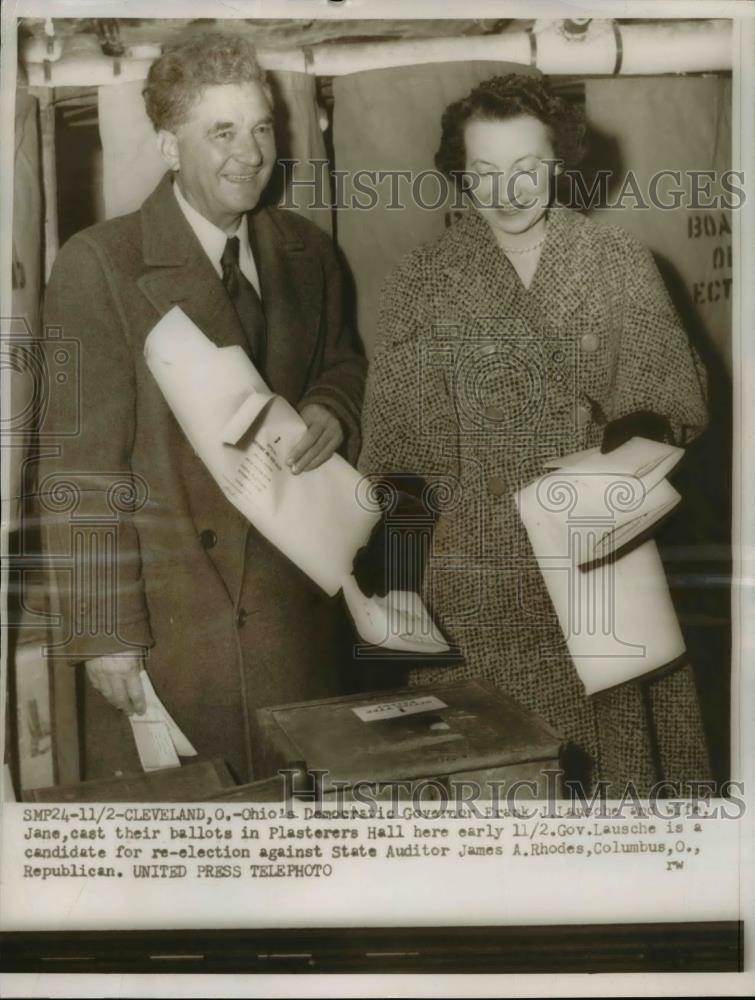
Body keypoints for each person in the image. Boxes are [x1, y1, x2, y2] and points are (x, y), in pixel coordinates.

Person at [357, 74, 712, 796]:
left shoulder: (617, 264)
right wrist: (395, 586)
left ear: (561, 161)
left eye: (526, 168)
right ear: (460, 174)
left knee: (618, 797)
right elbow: (400, 454)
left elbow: (670, 400)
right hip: (474, 586)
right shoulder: (422, 281)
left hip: (600, 563)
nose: (507, 190)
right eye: (484, 172)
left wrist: (626, 437)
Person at [38, 33, 366, 784]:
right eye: (220, 132)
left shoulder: (308, 254)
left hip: (295, 621)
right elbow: (77, 467)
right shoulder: (100, 266)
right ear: (166, 145)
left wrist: (331, 408)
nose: (249, 153)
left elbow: (344, 362)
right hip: (173, 637)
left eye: (260, 128)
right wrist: (106, 635)